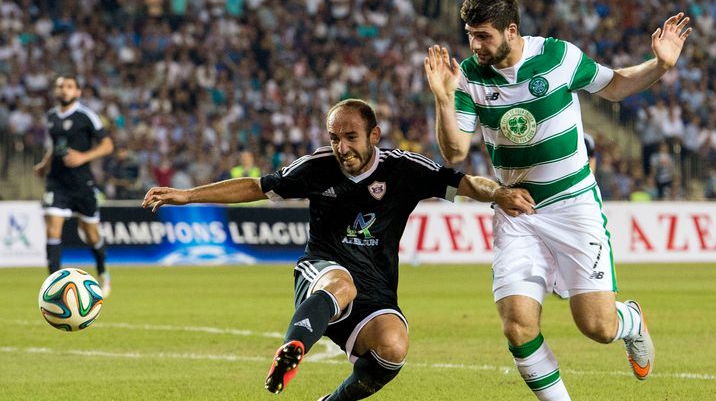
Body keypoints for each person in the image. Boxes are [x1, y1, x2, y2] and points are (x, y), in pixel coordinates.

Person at [142, 99, 534, 400]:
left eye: (350, 137)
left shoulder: (405, 169)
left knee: (394, 348)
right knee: (340, 283)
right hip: (322, 272)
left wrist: (500, 193)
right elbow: (256, 187)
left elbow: (466, 184)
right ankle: (293, 347)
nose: (341, 147)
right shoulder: (317, 166)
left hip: (376, 288)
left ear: (374, 136)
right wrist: (187, 195)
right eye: (334, 137)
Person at [424, 0, 691, 400]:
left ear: (511, 31)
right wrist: (443, 99)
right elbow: (455, 151)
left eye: (483, 36)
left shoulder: (558, 57)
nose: (474, 45)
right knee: (517, 324)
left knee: (597, 327)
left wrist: (660, 65)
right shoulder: (469, 77)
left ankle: (631, 321)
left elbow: (615, 85)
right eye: (470, 35)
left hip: (573, 206)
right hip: (517, 211)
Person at [33, 76, 114, 296]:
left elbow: (107, 145)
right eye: (60, 86)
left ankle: (103, 271)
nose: (64, 90)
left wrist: (84, 156)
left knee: (91, 233)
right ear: (56, 91)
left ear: (78, 92)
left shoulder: (86, 116)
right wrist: (45, 164)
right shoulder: (51, 117)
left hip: (82, 183)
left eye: (69, 87)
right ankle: (54, 284)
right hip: (57, 182)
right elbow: (57, 146)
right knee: (52, 227)